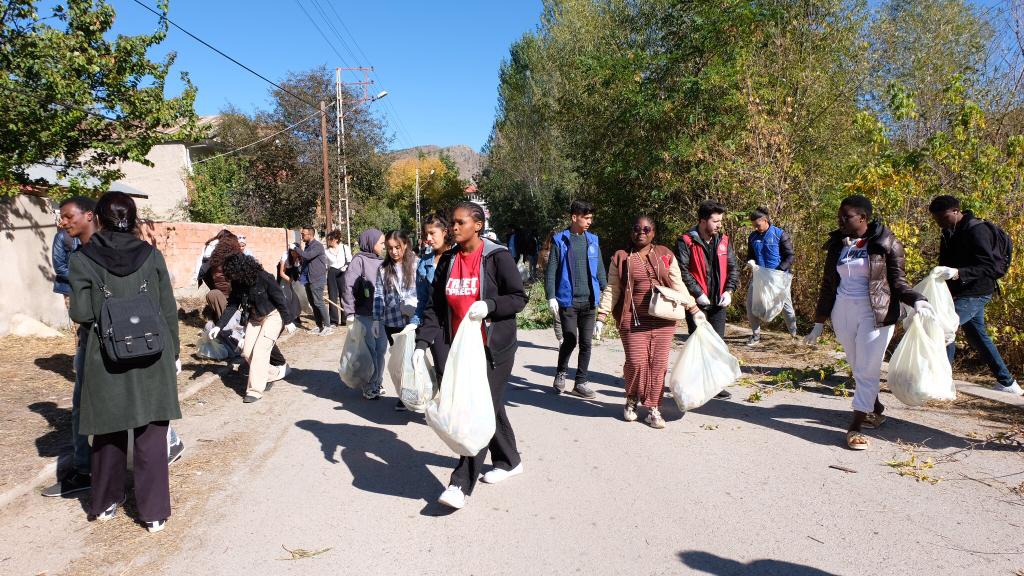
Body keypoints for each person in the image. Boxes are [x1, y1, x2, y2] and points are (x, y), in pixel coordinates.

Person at [42, 196, 185, 499]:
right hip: (152, 348)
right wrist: (174, 351)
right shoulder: (151, 254)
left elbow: (81, 313)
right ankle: (155, 512)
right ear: (133, 219)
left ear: (98, 219)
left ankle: (106, 501)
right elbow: (167, 308)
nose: (64, 222)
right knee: (151, 432)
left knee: (108, 430)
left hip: (106, 351)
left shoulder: (82, 258)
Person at [415, 201, 527, 510]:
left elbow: (518, 297)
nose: (454, 227)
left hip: (493, 349)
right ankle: (509, 460)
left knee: (476, 409)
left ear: (478, 225)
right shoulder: (449, 260)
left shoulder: (496, 256)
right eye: (452, 222)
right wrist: (422, 342)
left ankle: (460, 484)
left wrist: (490, 305)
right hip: (461, 349)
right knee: (491, 405)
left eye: (460, 222)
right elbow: (435, 307)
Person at [804, 195, 933, 450]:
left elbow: (898, 281)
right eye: (839, 217)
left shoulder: (887, 243)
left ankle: (855, 426)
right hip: (842, 312)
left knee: (868, 369)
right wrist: (819, 322)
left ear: (863, 218)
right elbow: (828, 285)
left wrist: (917, 299)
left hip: (876, 313)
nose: (840, 221)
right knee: (857, 367)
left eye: (846, 217)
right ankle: (876, 409)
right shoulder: (838, 244)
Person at [598, 216, 702, 428]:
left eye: (646, 229)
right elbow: (612, 288)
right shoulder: (621, 257)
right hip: (633, 319)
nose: (641, 232)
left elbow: (678, 284)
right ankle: (631, 398)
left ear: (653, 232)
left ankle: (653, 408)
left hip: (664, 319)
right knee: (636, 362)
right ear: (631, 232)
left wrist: (693, 308)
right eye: (637, 228)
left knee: (658, 365)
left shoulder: (665, 254)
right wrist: (602, 314)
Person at [928, 195, 1021, 395]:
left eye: (943, 217)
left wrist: (958, 273)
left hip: (977, 292)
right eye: (936, 219)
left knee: (943, 328)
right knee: (977, 336)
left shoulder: (977, 230)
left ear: (956, 211)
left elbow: (989, 266)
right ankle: (1008, 383)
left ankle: (942, 382)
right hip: (960, 291)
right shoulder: (949, 231)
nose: (939, 222)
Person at [676, 200, 739, 399]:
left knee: (717, 345)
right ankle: (693, 385)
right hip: (697, 304)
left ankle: (715, 385)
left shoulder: (723, 241)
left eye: (720, 221)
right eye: (715, 221)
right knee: (699, 344)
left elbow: (733, 268)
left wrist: (729, 290)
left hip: (719, 302)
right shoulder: (686, 241)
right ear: (703, 221)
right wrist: (697, 293)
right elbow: (681, 271)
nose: (719, 225)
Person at [545, 200, 607, 399]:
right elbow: (551, 271)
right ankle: (561, 372)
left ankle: (580, 382)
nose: (589, 221)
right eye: (586, 218)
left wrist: (606, 294)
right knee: (570, 339)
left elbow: (600, 270)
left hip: (589, 301)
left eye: (591, 218)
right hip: (568, 301)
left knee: (586, 343)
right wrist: (551, 296)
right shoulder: (560, 240)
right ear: (574, 217)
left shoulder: (593, 240)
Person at [208, 254, 291, 403]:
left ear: (241, 269)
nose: (231, 277)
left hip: (273, 316)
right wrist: (219, 326)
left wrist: (288, 320)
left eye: (233, 273)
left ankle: (254, 391)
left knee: (260, 352)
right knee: (246, 353)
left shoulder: (264, 277)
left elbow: (280, 299)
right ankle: (274, 372)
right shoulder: (237, 283)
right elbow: (232, 305)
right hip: (254, 319)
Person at [342, 229, 387, 399]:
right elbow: (348, 287)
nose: (384, 246)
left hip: (381, 315)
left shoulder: (383, 261)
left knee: (381, 350)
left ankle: (377, 381)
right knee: (370, 351)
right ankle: (369, 385)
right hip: (364, 314)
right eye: (381, 243)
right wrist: (349, 312)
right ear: (370, 242)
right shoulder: (359, 260)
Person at [745, 207, 798, 345]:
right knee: (750, 304)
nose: (756, 228)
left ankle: (794, 335)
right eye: (754, 226)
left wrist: (779, 270)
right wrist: (751, 262)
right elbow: (750, 256)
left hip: (778, 277)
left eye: (758, 225)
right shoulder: (753, 237)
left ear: (765, 220)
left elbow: (790, 256)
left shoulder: (779, 234)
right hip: (760, 277)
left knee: (786, 306)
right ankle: (756, 335)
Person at [413, 213, 453, 381]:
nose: (428, 238)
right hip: (436, 324)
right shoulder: (424, 263)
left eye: (432, 233)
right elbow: (423, 300)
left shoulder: (457, 257)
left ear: (445, 232)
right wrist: (415, 322)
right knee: (443, 370)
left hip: (458, 323)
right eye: (426, 234)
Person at [294, 227, 332, 336]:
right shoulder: (307, 246)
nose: (302, 236)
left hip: (317, 279)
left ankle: (328, 326)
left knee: (319, 302)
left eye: (303, 234)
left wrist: (296, 249)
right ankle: (319, 326)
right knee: (313, 303)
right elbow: (305, 259)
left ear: (310, 235)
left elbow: (308, 256)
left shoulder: (317, 246)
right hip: (308, 278)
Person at [199, 232, 242, 323]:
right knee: (218, 296)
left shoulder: (215, 259)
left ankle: (221, 320)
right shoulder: (229, 261)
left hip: (214, 282)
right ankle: (227, 322)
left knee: (215, 295)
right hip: (229, 296)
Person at [325, 230, 352, 328]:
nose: (328, 241)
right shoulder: (326, 251)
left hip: (343, 272)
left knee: (344, 295)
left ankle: (345, 319)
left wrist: (346, 266)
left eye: (330, 239)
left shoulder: (345, 248)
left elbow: (349, 260)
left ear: (336, 240)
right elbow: (326, 264)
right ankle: (334, 320)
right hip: (332, 272)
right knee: (332, 296)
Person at [278, 245, 305, 332]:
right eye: (292, 252)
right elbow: (281, 273)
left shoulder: (299, 257)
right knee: (287, 298)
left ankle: (296, 316)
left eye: (295, 252)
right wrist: (289, 280)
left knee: (296, 298)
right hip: (284, 278)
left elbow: (298, 270)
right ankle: (288, 319)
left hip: (293, 278)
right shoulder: (285, 257)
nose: (294, 254)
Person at [52, 226, 80, 307]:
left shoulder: (93, 233)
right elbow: (59, 267)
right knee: (76, 313)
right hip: (71, 288)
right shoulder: (62, 236)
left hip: (94, 287)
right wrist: (81, 279)